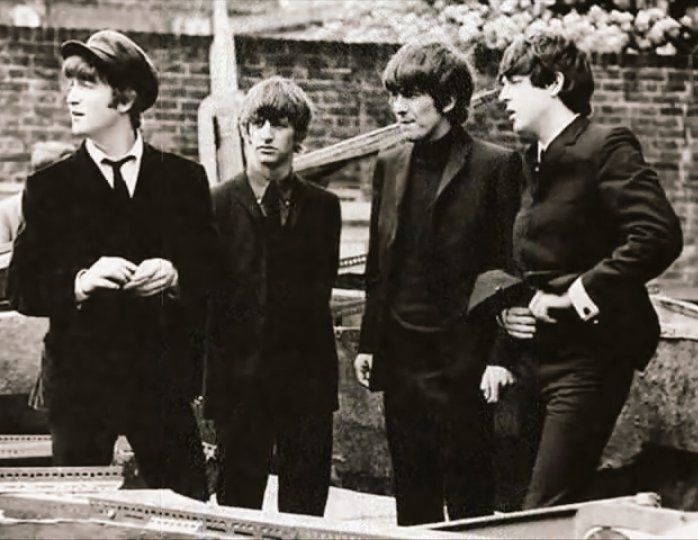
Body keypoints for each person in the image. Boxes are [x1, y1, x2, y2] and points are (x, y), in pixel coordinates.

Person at [8, 30, 217, 500]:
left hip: (161, 383)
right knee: (75, 520)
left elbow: (215, 271)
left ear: (124, 99)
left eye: (86, 85)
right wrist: (81, 282)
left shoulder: (183, 180)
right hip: (82, 387)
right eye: (71, 83)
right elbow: (22, 285)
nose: (70, 96)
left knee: (186, 509)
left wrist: (176, 274)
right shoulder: (50, 187)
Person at [497, 32, 683, 509]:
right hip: (532, 357)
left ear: (554, 82)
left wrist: (578, 292)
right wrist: (508, 312)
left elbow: (657, 234)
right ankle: (630, 504)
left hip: (591, 358)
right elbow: (524, 257)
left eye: (513, 81)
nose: (501, 95)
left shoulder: (606, 146)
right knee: (521, 500)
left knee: (544, 505)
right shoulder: (528, 163)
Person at [353, 41, 521, 525]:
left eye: (412, 94)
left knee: (470, 499)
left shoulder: (495, 166)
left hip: (463, 359)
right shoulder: (389, 163)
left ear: (447, 100)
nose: (399, 107)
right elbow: (379, 267)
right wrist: (370, 343)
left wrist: (499, 357)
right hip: (402, 355)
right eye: (394, 95)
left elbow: (509, 268)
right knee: (413, 494)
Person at [204, 77, 341, 516]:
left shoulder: (323, 207)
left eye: (279, 123)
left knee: (305, 510)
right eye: (257, 123)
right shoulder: (217, 204)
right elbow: (209, 300)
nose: (265, 134)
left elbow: (319, 290)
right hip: (241, 383)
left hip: (306, 382)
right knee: (236, 509)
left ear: (297, 135)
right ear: (244, 131)